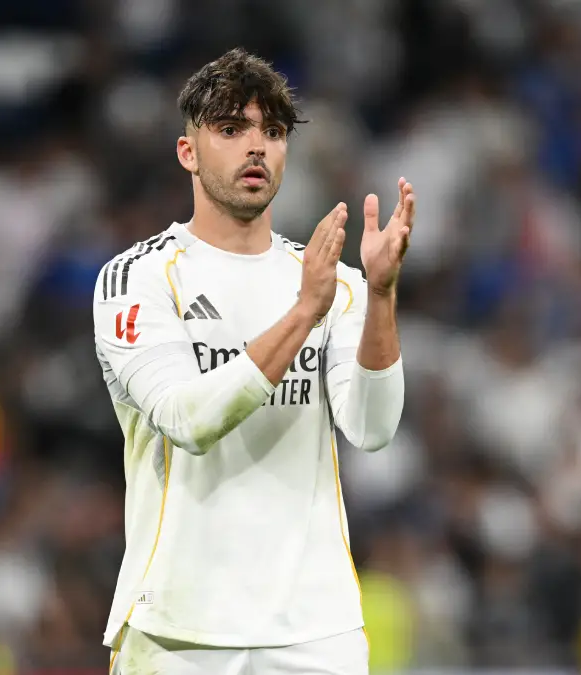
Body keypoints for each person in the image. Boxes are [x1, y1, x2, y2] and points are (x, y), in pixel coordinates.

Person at [93, 48, 414, 674]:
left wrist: (379, 295)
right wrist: (301, 316)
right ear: (188, 151)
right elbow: (188, 420)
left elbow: (372, 429)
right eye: (231, 129)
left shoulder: (335, 283)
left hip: (317, 631)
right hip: (180, 630)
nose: (257, 147)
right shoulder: (139, 278)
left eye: (272, 131)